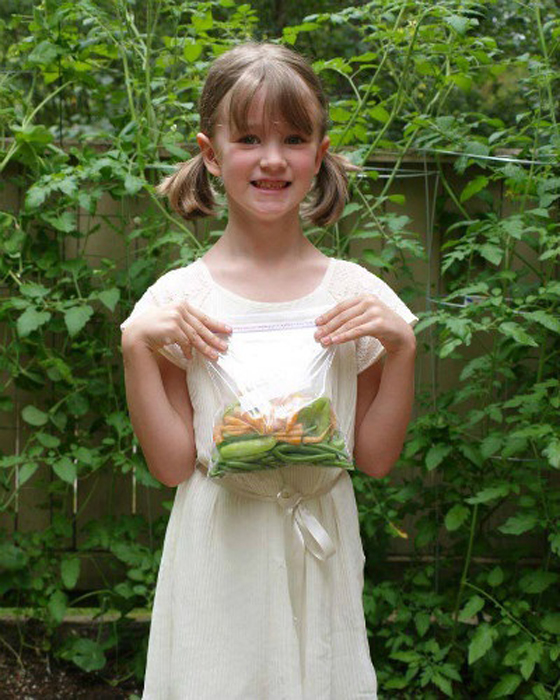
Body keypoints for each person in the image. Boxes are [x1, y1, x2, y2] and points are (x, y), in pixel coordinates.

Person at [121, 42, 418, 700]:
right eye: (250, 138)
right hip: (218, 554)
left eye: (294, 138)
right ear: (211, 153)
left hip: (320, 550)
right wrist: (137, 349)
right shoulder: (178, 301)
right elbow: (171, 466)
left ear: (320, 153)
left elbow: (374, 458)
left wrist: (402, 351)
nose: (274, 159)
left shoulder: (356, 294)